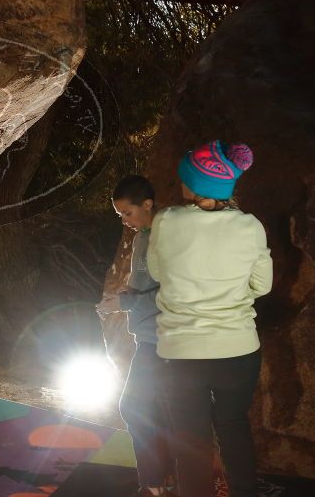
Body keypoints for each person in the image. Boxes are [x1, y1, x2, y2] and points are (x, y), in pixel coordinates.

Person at [147, 140, 273, 497]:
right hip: (237, 351)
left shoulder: (167, 221)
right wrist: (230, 295)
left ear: (195, 184)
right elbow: (262, 286)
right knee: (234, 427)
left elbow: (158, 272)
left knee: (191, 438)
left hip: (180, 353)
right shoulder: (250, 227)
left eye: (184, 177)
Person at [97, 175, 173, 497]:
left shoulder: (166, 236)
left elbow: (172, 292)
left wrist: (124, 301)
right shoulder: (143, 234)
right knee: (145, 408)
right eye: (119, 216)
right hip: (147, 334)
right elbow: (146, 281)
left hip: (163, 338)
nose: (125, 221)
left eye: (127, 213)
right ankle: (158, 482)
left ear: (147, 204)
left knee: (135, 406)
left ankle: (156, 483)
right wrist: (127, 292)